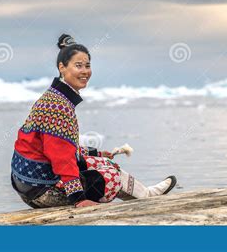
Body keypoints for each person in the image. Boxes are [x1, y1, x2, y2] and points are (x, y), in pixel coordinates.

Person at [11, 34, 177, 208]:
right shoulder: (58, 108)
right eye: (78, 66)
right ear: (62, 67)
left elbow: (56, 148)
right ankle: (145, 196)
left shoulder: (54, 98)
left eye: (87, 66)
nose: (85, 71)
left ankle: (146, 195)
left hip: (29, 185)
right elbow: (61, 157)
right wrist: (79, 199)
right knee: (111, 176)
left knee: (105, 163)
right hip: (42, 192)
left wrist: (96, 154)